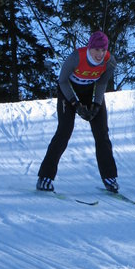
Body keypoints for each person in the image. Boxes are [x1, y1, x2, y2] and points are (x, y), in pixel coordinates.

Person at [36, 31, 119, 193]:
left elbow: (102, 83)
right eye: (96, 49)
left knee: (102, 133)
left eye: (103, 50)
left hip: (90, 92)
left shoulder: (110, 61)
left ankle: (110, 177)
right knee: (64, 131)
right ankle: (45, 177)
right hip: (68, 92)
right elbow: (62, 81)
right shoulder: (76, 58)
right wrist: (75, 104)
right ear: (89, 48)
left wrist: (96, 104)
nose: (100, 54)